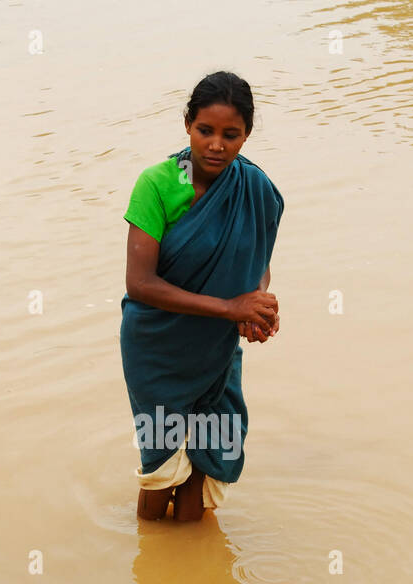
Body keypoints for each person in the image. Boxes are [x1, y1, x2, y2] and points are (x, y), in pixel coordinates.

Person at [120, 71, 284, 522]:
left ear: (246, 134)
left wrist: (257, 305)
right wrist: (231, 307)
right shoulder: (157, 184)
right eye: (205, 131)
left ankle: (185, 575)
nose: (216, 145)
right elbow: (141, 283)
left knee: (210, 455)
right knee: (162, 464)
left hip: (217, 347)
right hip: (158, 348)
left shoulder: (254, 188)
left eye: (231, 135)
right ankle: (151, 546)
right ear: (187, 124)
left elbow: (258, 261)